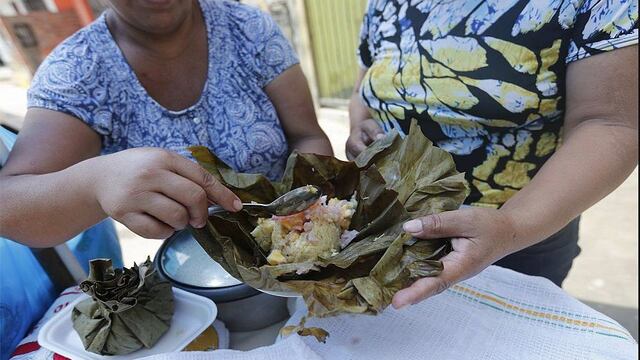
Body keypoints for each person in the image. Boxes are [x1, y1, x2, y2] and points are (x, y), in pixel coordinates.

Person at [347, 0, 638, 308]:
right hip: (389, 226)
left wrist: (512, 225)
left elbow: (610, 123)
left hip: (516, 236)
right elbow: (363, 89)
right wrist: (360, 126)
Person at [0, 0, 332, 247]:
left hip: (298, 247)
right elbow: (9, 205)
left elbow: (307, 136)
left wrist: (303, 211)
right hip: (193, 280)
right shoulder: (78, 70)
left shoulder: (248, 28)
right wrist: (96, 183)